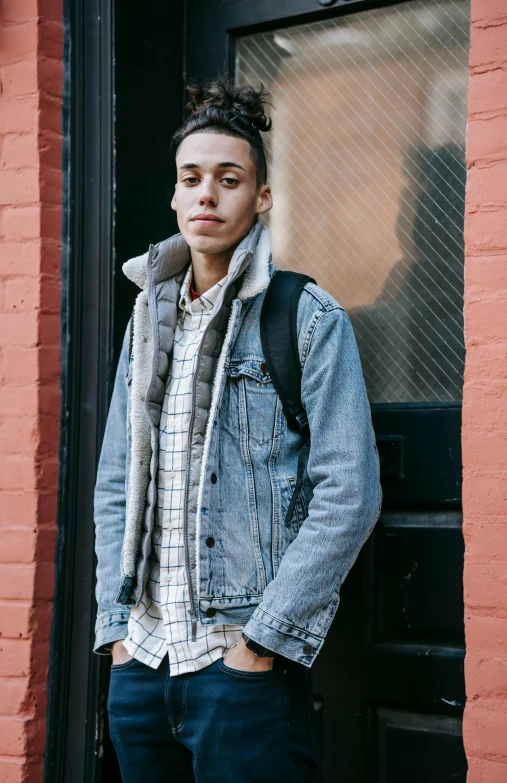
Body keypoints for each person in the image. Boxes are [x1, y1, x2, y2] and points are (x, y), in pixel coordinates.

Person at [93, 78, 382, 783]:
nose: (206, 196)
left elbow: (349, 491)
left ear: (261, 197)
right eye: (191, 179)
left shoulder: (307, 317)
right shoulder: (145, 322)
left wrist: (262, 642)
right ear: (173, 194)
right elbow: (114, 480)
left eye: (229, 179)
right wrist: (115, 635)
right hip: (143, 664)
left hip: (241, 668)